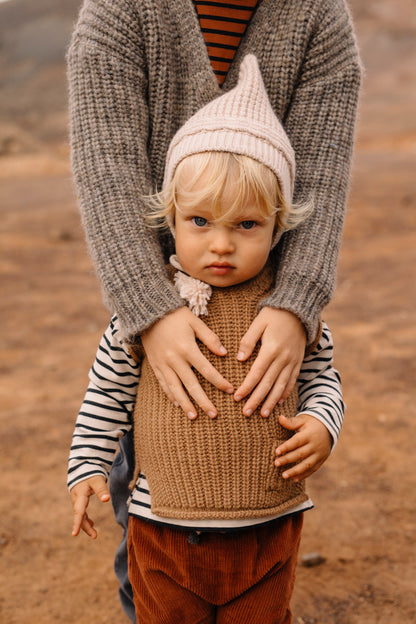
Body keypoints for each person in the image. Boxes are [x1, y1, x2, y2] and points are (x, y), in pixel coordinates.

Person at [67, 1, 361, 619]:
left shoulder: (318, 16)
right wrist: (151, 310)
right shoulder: (123, 9)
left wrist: (294, 307)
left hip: (266, 512)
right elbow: (107, 164)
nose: (222, 243)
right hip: (164, 486)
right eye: (202, 222)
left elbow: (322, 175)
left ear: (274, 225)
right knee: (149, 567)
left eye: (245, 227)